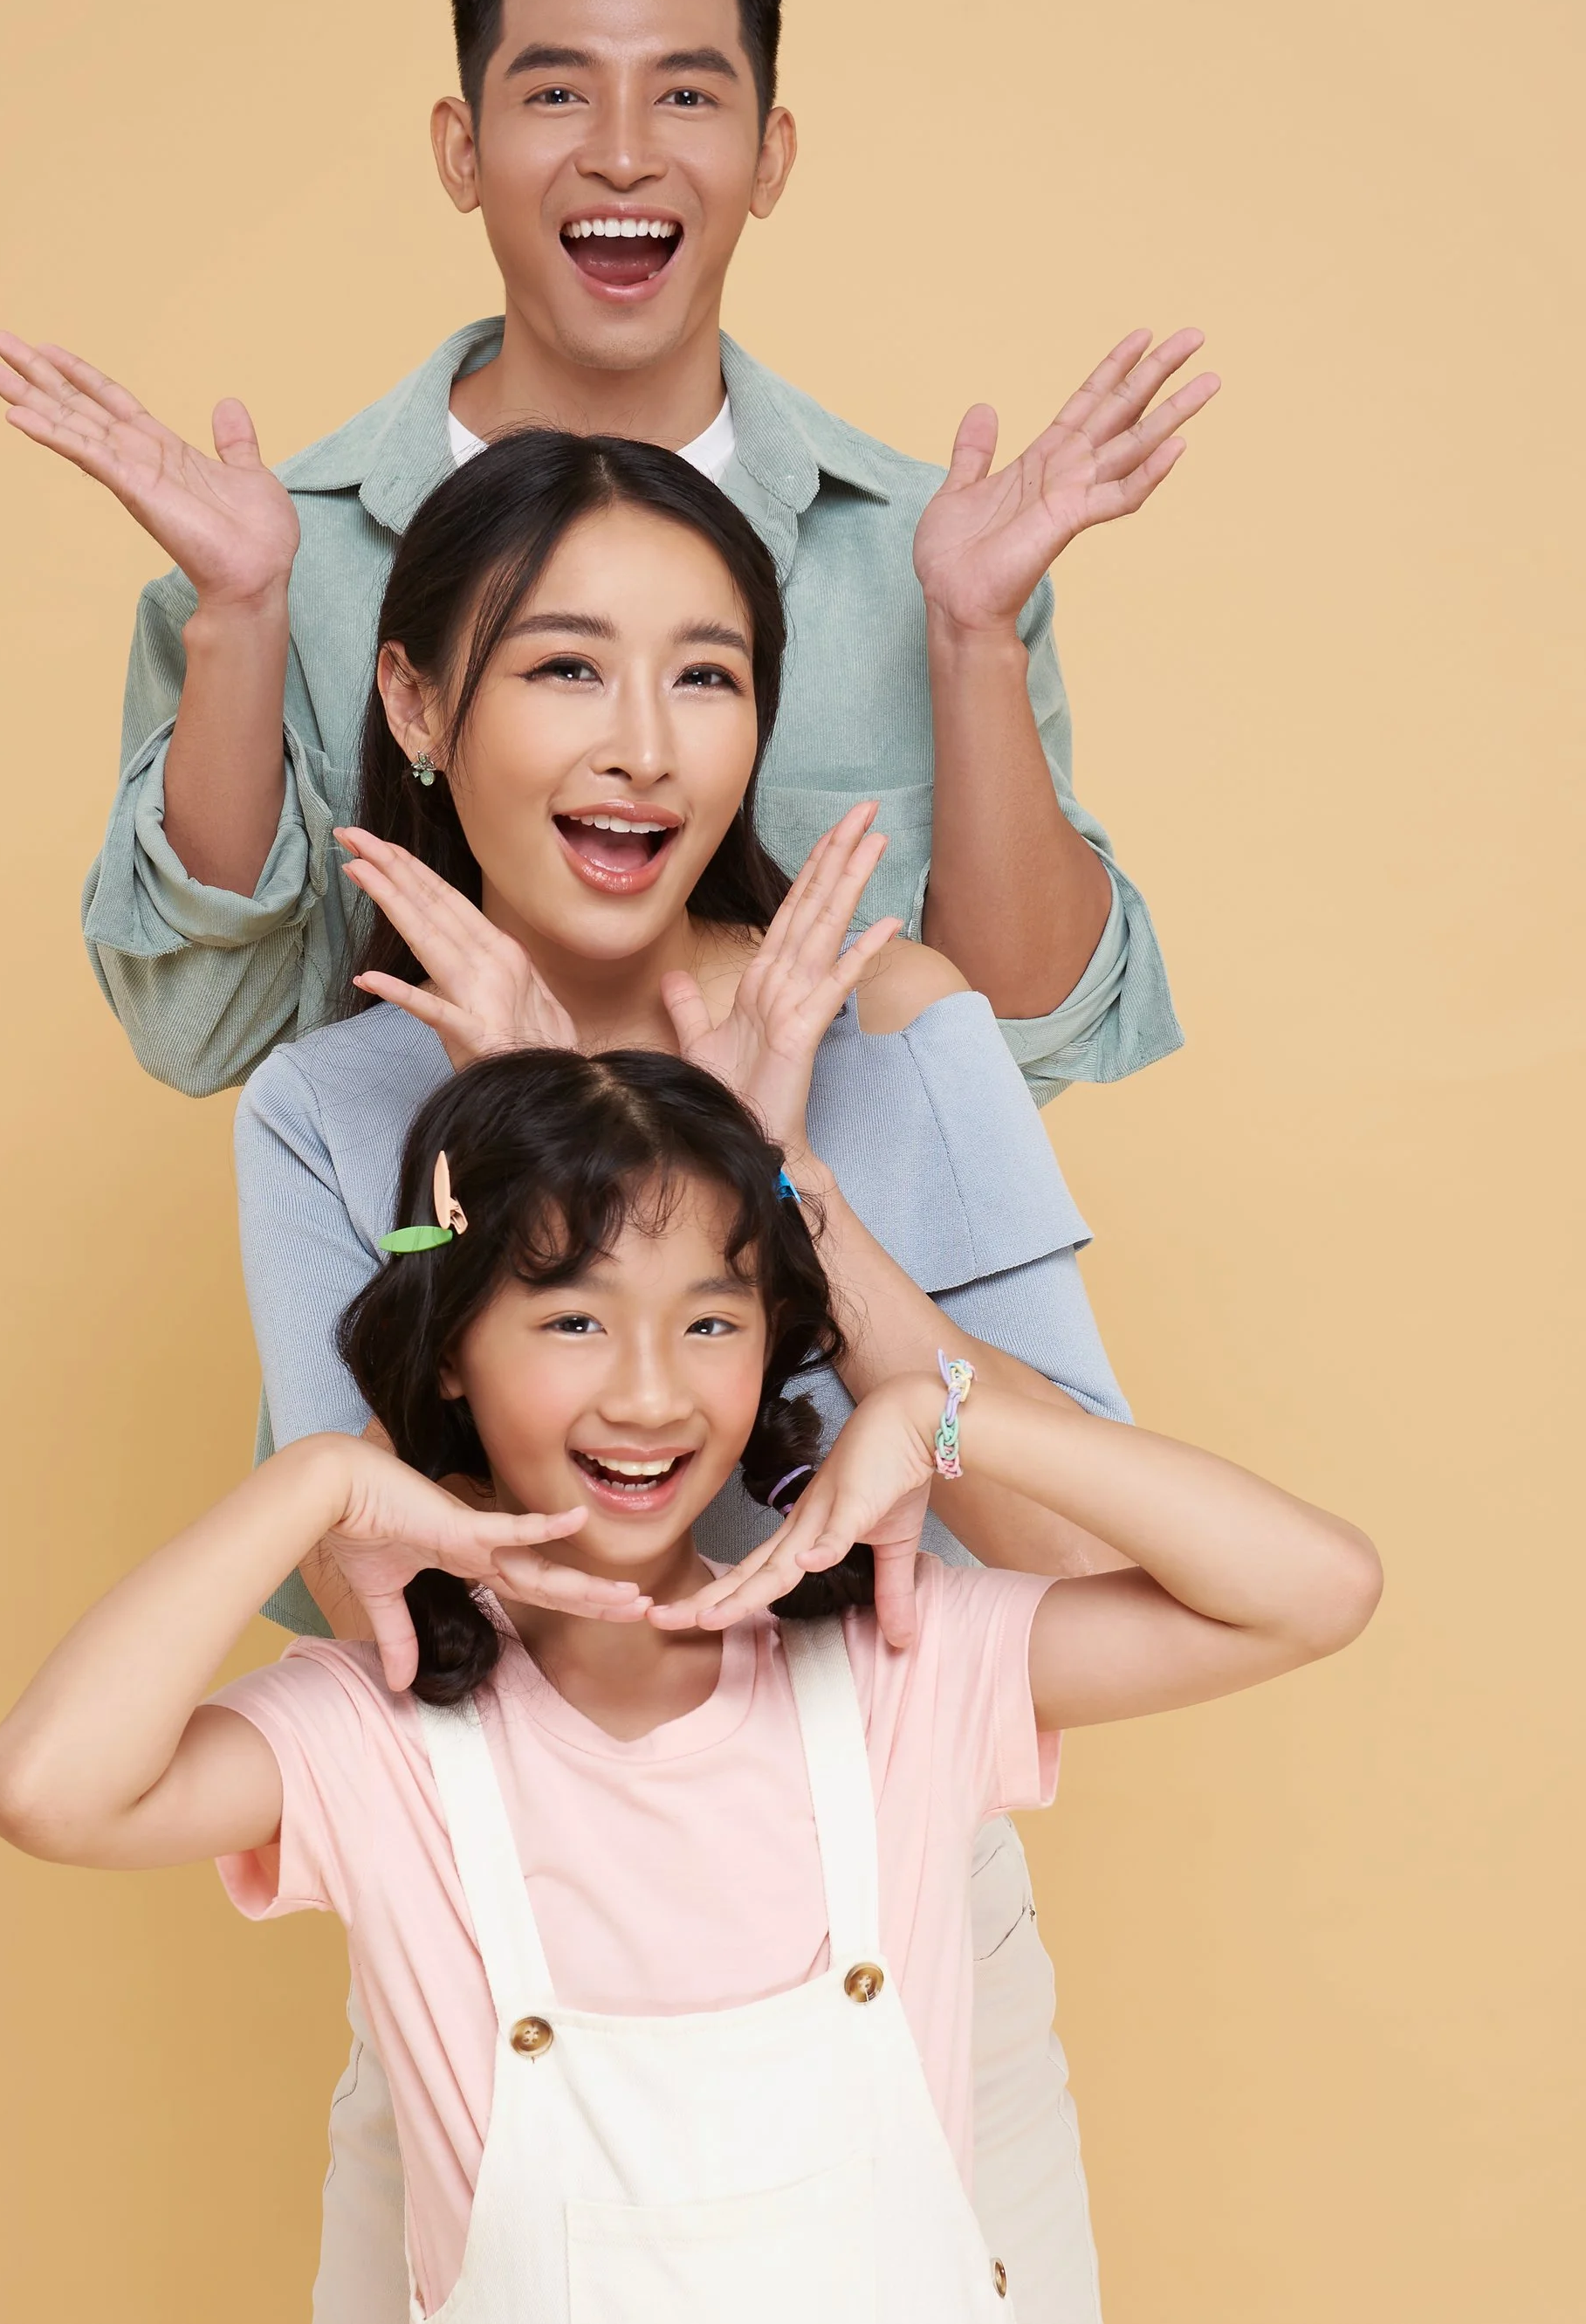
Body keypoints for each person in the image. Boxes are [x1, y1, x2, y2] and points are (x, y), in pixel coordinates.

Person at [0, 1048, 1382, 2324]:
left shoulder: (902, 1664)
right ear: (452, 1351)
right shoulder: (375, 1733)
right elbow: (46, 1791)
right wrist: (318, 1481)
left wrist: (936, 1415)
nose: (651, 1395)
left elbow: (1315, 1591)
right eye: (575, 1323)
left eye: (712, 1324)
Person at [229, 428, 1135, 2322]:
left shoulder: (888, 1024)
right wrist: (540, 1109)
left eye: (705, 675)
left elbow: (1052, 1534)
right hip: (487, 1946)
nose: (643, 740)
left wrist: (770, 1165)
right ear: (411, 694)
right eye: (565, 665)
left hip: (896, 1944)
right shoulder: (330, 1108)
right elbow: (379, 1594)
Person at [0, 0, 1216, 1104]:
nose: (623, 155)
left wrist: (971, 634)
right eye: (559, 91)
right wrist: (245, 617)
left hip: (842, 1283)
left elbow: (1017, 1046)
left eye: (686, 96)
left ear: (771, 157)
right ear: (461, 152)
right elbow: (201, 1030)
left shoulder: (931, 554)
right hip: (438, 1280)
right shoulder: (265, 553)